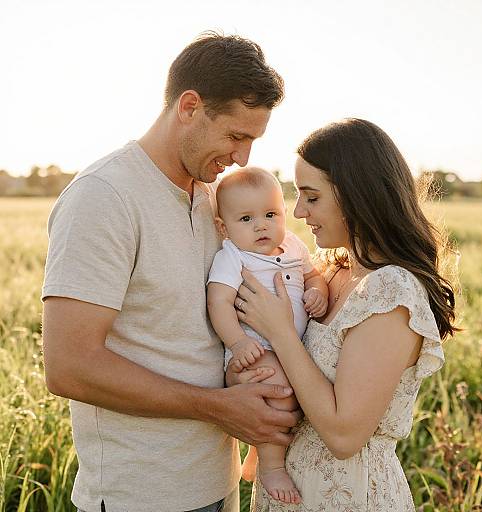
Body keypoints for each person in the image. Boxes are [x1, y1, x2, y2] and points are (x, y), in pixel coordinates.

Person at [41, 32, 302, 512]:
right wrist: (217, 408)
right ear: (189, 107)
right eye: (235, 135)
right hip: (139, 496)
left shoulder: (212, 198)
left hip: (218, 486)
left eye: (252, 140)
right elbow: (69, 366)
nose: (242, 157)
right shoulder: (103, 197)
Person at [228, 119, 457, 510]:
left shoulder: (391, 292)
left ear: (357, 196)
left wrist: (280, 332)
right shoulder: (329, 269)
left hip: (349, 496)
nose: (298, 212)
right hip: (285, 492)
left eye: (311, 197)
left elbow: (343, 437)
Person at [207, 167, 328, 504]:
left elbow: (314, 274)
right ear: (223, 227)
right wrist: (237, 342)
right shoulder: (232, 256)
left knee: (298, 390)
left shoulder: (292, 244)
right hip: (254, 347)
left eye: (270, 214)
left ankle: (258, 453)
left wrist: (317, 290)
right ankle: (272, 467)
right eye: (246, 219)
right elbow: (219, 301)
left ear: (283, 213)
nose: (261, 225)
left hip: (291, 344)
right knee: (278, 388)